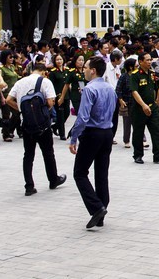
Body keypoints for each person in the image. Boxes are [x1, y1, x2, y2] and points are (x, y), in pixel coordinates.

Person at [69, 56, 117, 229]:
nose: (84, 70)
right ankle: (102, 210)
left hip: (92, 133)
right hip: (106, 132)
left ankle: (96, 207)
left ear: (93, 70)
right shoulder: (110, 88)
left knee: (80, 173)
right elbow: (113, 111)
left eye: (86, 67)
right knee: (101, 173)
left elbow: (82, 117)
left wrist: (74, 138)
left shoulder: (90, 89)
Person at [7, 62, 67, 196]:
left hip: (26, 124)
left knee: (28, 155)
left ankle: (29, 186)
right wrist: (42, 111)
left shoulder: (20, 82)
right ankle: (53, 180)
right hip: (43, 125)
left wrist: (22, 110)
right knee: (48, 153)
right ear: (44, 72)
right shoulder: (45, 82)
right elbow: (51, 102)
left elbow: (8, 99)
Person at [129, 53, 159, 164]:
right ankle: (138, 155)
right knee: (138, 132)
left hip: (152, 107)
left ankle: (158, 155)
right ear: (141, 61)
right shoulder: (135, 75)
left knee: (156, 130)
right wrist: (143, 105)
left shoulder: (151, 73)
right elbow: (134, 91)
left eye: (150, 60)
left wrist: (157, 100)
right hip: (139, 109)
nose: (149, 62)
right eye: (147, 60)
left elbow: (154, 88)